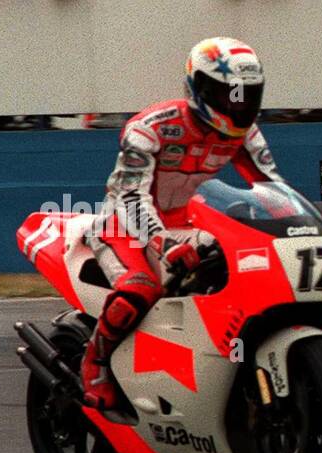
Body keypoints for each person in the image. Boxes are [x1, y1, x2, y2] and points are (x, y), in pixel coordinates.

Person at [82, 37, 283, 409]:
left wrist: (296, 226)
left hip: (187, 219)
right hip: (124, 223)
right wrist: (162, 242)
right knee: (140, 289)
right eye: (228, 95)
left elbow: (273, 187)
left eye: (247, 95)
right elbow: (129, 196)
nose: (238, 105)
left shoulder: (246, 134)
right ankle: (95, 361)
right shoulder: (151, 127)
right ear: (200, 88)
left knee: (243, 270)